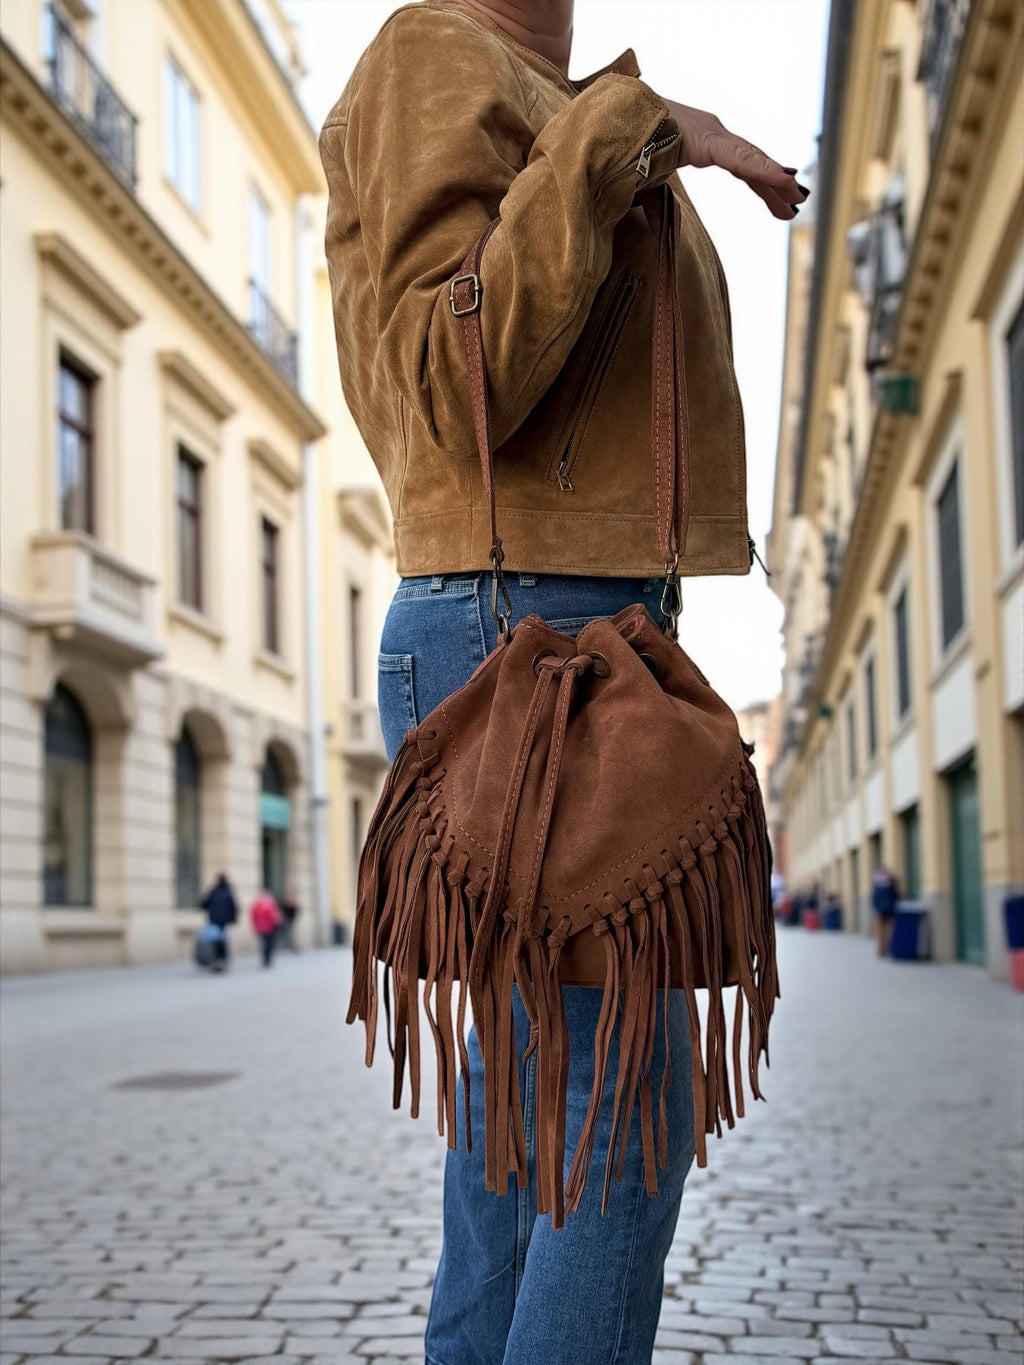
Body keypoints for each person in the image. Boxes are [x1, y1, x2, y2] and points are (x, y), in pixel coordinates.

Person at [319, 2, 807, 1361]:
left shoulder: (543, 90)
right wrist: (623, 129)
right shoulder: (436, 53)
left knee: (527, 1104)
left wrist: (612, 124)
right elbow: (451, 375)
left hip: (568, 629)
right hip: (528, 639)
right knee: (618, 1105)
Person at [198, 873, 238, 970]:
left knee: (214, 941)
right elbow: (233, 907)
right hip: (223, 922)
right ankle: (222, 959)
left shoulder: (213, 891)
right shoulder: (228, 892)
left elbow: (203, 904)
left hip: (214, 920)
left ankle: (216, 959)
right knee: (222, 941)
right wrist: (233, 919)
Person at [872, 861, 900, 957]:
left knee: (889, 930)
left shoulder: (890, 882)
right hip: (881, 910)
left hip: (889, 909)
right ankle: (881, 949)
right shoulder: (878, 883)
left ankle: (886, 948)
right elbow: (875, 898)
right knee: (881, 931)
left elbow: (895, 896)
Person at [250, 888, 283, 968]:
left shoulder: (257, 904)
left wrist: (255, 926)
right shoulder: (270, 904)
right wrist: (277, 922)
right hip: (269, 927)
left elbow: (253, 916)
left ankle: (265, 959)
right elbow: (274, 916)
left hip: (261, 927)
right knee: (269, 943)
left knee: (264, 943)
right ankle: (267, 959)